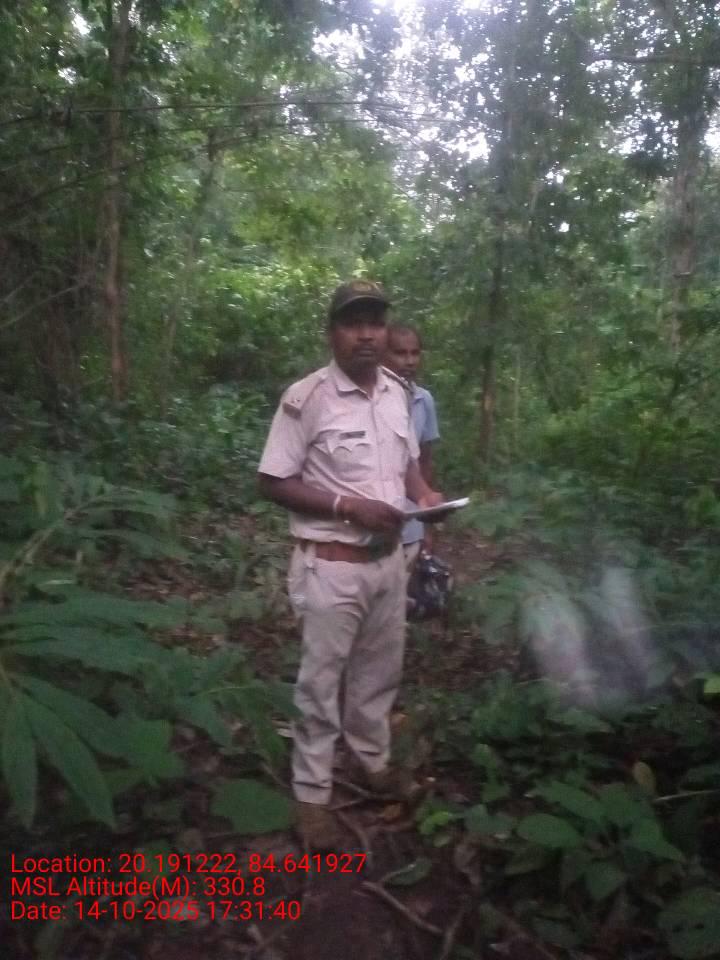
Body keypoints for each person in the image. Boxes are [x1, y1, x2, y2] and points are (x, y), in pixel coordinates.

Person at [257, 279, 444, 852]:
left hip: (390, 561)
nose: (366, 334)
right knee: (320, 684)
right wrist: (346, 506)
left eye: (375, 322)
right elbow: (273, 481)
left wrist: (425, 494)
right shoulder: (307, 398)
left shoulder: (396, 393)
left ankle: (373, 762)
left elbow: (406, 463)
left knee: (378, 675)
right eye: (353, 322)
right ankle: (312, 795)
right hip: (331, 564)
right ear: (332, 332)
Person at [383, 323, 440, 569]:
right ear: (383, 354)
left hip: (411, 524)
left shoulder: (423, 400)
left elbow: (425, 462)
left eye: (415, 353)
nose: (409, 361)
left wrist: (427, 526)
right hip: (372, 527)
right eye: (400, 353)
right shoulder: (367, 400)